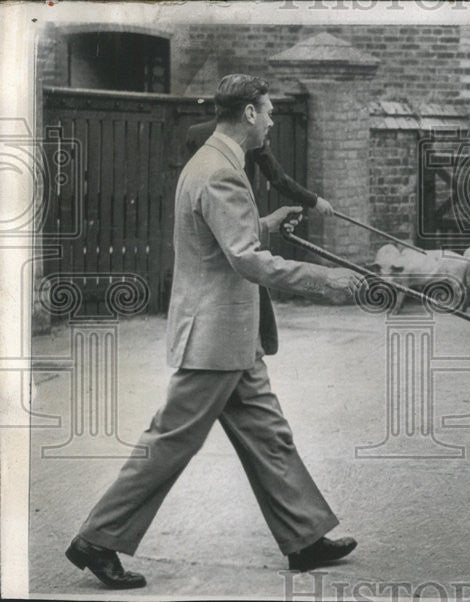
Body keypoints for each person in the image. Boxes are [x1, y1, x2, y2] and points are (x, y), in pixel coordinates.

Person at [65, 74, 357, 589]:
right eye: (266, 112)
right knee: (171, 441)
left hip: (231, 338)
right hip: (215, 340)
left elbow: (218, 234)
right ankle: (97, 539)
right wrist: (327, 280)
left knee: (271, 438)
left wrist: (266, 222)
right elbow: (244, 259)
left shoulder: (211, 162)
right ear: (248, 113)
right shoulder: (221, 171)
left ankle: (305, 537)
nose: (270, 121)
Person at [184, 117, 336, 217]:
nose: (270, 122)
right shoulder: (252, 137)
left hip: (202, 210)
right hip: (238, 211)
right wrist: (314, 201)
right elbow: (278, 178)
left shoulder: (195, 132)